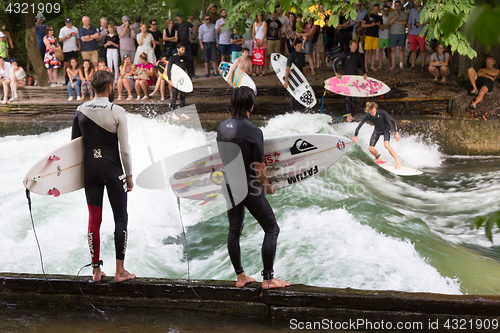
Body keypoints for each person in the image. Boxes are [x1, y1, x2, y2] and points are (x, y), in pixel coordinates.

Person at [216, 86, 290, 290]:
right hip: (246, 186)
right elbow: (259, 167)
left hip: (228, 184)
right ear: (251, 105)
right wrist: (267, 186)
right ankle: (268, 278)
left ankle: (240, 276)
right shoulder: (254, 131)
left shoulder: (222, 127)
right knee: (272, 228)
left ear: (233, 103)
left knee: (234, 230)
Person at [71, 70, 135, 283]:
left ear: (91, 87)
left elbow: (73, 148)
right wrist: (129, 175)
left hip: (90, 173)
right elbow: (125, 150)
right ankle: (120, 271)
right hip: (112, 171)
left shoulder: (80, 110)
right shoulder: (117, 111)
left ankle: (96, 271)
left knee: (94, 220)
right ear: (110, 88)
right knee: (120, 218)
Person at [353, 102, 401, 169]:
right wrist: (355, 135)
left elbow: (393, 120)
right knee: (371, 149)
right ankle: (377, 157)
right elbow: (359, 125)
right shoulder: (367, 115)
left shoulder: (381, 112)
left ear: (375, 108)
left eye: (373, 112)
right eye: (371, 112)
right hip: (377, 130)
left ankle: (397, 162)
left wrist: (396, 132)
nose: (373, 114)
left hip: (385, 129)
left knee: (386, 145)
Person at [333, 40, 367, 114]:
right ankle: (348, 115)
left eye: (356, 46)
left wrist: (365, 73)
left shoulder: (358, 55)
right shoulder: (345, 54)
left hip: (355, 78)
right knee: (348, 97)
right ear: (350, 46)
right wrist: (336, 73)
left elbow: (362, 65)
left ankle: (350, 113)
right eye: (353, 46)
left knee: (353, 97)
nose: (355, 47)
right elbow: (334, 63)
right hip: (347, 78)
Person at [284, 39, 307, 111]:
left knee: (299, 93)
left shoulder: (302, 55)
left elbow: (304, 67)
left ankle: (297, 110)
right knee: (293, 94)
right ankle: (291, 111)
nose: (299, 48)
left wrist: (305, 78)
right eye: (298, 46)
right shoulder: (292, 55)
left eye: (300, 46)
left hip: (300, 77)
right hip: (293, 77)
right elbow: (288, 68)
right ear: (294, 46)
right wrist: (286, 80)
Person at [361, 4, 383, 72]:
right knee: (367, 51)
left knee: (374, 51)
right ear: (372, 9)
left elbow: (382, 28)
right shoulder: (368, 16)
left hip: (376, 36)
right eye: (374, 9)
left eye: (377, 9)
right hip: (368, 35)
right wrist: (370, 25)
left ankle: (372, 66)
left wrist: (379, 25)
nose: (375, 11)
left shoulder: (379, 17)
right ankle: (366, 67)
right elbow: (362, 25)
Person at [388, 0, 408, 69]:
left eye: (398, 5)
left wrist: (395, 22)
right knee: (393, 49)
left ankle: (401, 64)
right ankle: (393, 64)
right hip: (393, 33)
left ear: (400, 6)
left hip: (401, 33)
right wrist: (395, 17)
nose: (397, 7)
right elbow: (389, 22)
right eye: (396, 5)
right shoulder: (391, 14)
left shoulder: (404, 13)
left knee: (401, 48)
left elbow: (405, 22)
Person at [168, 43, 188, 109]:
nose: (183, 51)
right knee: (174, 95)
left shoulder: (185, 58)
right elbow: (169, 69)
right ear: (178, 49)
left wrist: (189, 79)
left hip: (182, 79)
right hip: (175, 78)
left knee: (183, 95)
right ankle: (173, 110)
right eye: (182, 49)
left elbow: (188, 69)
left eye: (184, 49)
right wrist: (170, 79)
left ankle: (182, 111)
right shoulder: (173, 58)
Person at [407, 1, 426, 71]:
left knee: (423, 50)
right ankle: (412, 66)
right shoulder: (412, 11)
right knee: (413, 50)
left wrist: (421, 24)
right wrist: (408, 34)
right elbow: (409, 22)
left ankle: (423, 66)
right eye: (416, 1)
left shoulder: (425, 10)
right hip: (412, 33)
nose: (417, 2)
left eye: (418, 1)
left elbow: (429, 21)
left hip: (422, 33)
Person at [175, 13, 195, 78]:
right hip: (179, 44)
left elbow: (194, 28)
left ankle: (192, 73)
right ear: (177, 17)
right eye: (179, 17)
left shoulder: (187, 23)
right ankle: (180, 74)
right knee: (179, 59)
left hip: (187, 43)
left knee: (190, 58)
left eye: (181, 17)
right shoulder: (175, 25)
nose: (180, 18)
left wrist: (192, 36)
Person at [252, 12, 267, 76]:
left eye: (261, 15)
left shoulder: (264, 23)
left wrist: (262, 40)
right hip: (256, 40)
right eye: (258, 15)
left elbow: (265, 32)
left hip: (263, 40)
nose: (260, 16)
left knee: (263, 55)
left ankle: (263, 70)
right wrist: (255, 41)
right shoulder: (254, 24)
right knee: (257, 55)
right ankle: (258, 70)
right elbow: (253, 33)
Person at [188, 13, 200, 77]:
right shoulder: (186, 22)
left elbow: (201, 28)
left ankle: (194, 72)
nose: (191, 16)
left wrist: (198, 35)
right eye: (190, 15)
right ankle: (188, 72)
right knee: (188, 58)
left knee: (194, 57)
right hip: (188, 42)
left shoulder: (197, 22)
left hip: (195, 41)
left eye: (192, 15)